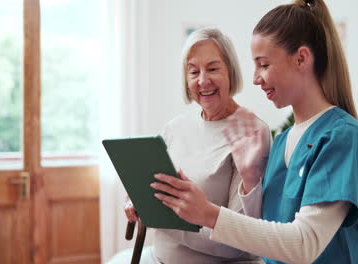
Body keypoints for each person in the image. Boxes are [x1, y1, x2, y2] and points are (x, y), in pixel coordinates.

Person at [151, 0, 358, 263]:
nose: (255, 78)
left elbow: (303, 244)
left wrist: (207, 213)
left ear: (301, 59)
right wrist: (249, 179)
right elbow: (263, 236)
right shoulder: (282, 141)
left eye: (263, 64)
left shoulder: (342, 138)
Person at [107, 28, 270, 264]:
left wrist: (158, 218)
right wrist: (138, 201)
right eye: (194, 71)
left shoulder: (251, 132)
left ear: (231, 72)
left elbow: (238, 241)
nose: (203, 80)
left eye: (213, 68)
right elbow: (153, 188)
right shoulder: (175, 128)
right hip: (159, 256)